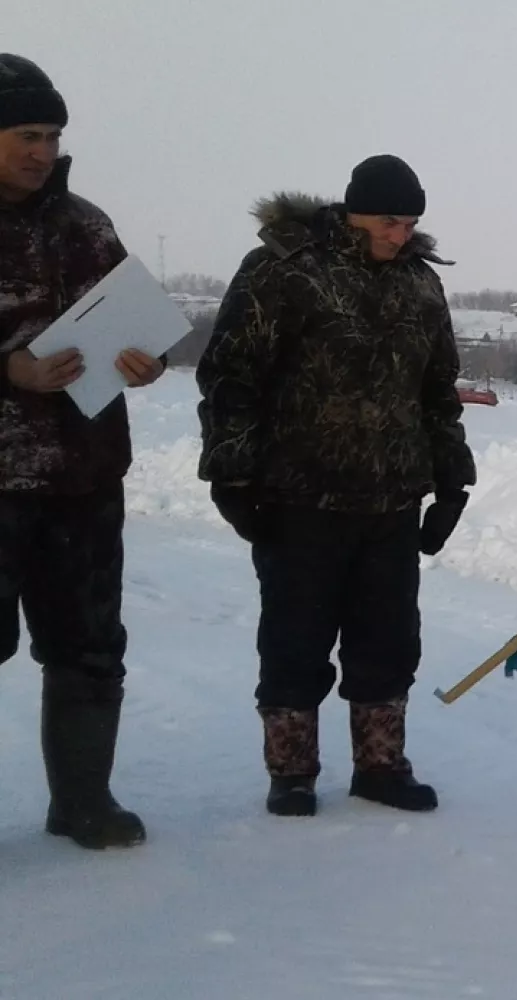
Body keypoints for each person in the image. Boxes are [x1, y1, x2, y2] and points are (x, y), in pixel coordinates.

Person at [195, 155, 476, 818]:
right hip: (299, 497)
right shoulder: (284, 269)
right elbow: (231, 376)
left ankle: (381, 766)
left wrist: (452, 481)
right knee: (295, 638)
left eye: (410, 223)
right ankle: (291, 771)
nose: (400, 234)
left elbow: (438, 395)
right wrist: (232, 473)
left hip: (392, 499)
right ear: (354, 211)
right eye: (389, 220)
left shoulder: (420, 285)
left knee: (388, 640)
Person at [0, 54, 163, 851]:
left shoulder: (86, 223)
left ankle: (83, 802)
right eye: (26, 132)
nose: (42, 150)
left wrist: (146, 358)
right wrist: (11, 366)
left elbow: (138, 319)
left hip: (85, 475)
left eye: (52, 134)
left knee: (90, 648)